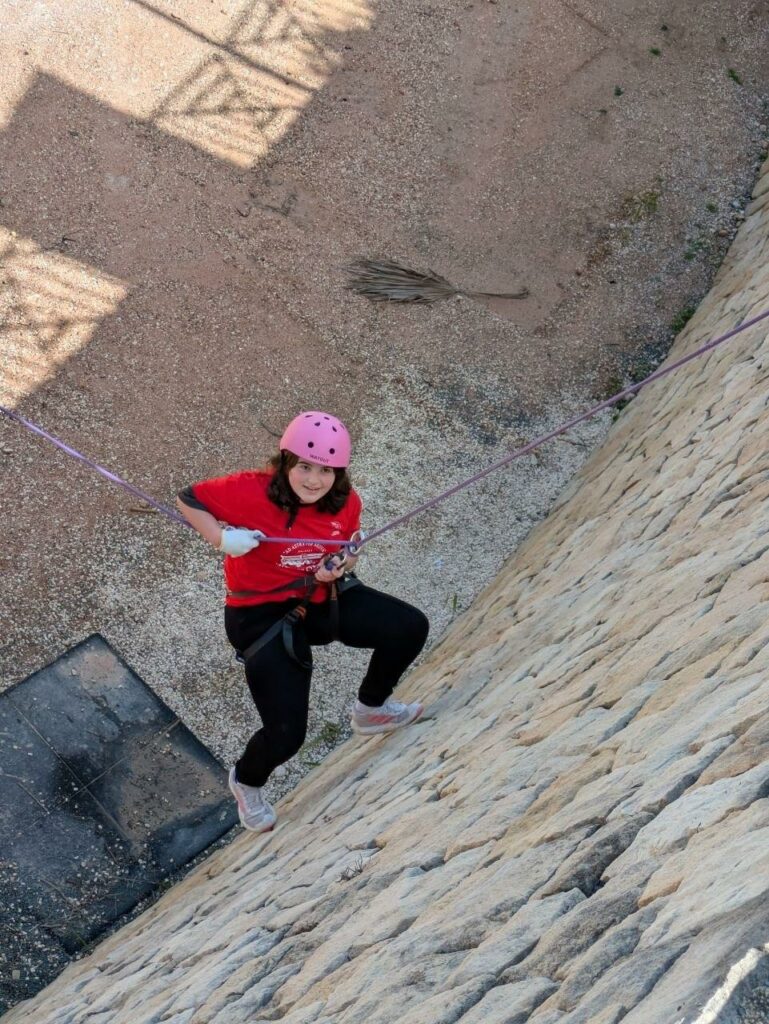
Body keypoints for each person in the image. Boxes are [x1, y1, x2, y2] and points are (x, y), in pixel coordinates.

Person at [176, 411, 429, 833]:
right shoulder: (249, 491)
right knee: (286, 734)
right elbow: (188, 499)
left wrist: (338, 565)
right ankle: (247, 780)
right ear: (286, 462)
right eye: (305, 467)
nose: (314, 480)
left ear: (339, 473)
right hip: (258, 614)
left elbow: (348, 549)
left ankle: (371, 709)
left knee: (408, 627)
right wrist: (221, 538)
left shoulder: (347, 502)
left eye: (326, 471)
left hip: (317, 596)